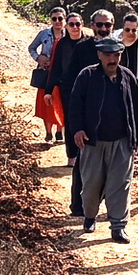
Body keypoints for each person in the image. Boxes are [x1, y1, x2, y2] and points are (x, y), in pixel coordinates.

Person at [70, 38, 138, 244]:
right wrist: (77, 129)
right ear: (99, 55)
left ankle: (118, 226)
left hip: (122, 142)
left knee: (120, 184)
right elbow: (75, 104)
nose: (113, 59)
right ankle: (89, 216)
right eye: (108, 55)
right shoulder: (86, 76)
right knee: (91, 185)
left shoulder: (127, 77)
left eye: (116, 55)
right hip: (93, 142)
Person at [61, 9, 117, 218]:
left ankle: (110, 210)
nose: (103, 29)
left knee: (112, 169)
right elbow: (68, 83)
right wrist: (75, 119)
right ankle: (78, 206)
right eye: (99, 25)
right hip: (87, 118)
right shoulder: (82, 49)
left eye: (107, 25)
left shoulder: (118, 49)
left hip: (112, 118)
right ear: (92, 26)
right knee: (83, 165)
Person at [46, 12, 90, 167]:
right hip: (68, 88)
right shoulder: (62, 44)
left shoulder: (89, 43)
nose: (75, 27)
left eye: (78, 24)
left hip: (88, 88)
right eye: (71, 24)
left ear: (82, 25)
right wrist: (48, 90)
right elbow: (55, 68)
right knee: (71, 122)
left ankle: (86, 155)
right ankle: (72, 156)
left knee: (88, 120)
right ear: (66, 26)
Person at [27, 7, 66, 142]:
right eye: (54, 19)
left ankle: (60, 132)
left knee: (61, 101)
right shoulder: (43, 34)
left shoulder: (69, 35)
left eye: (60, 18)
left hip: (62, 74)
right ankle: (48, 133)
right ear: (50, 20)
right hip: (45, 73)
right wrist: (38, 58)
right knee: (46, 103)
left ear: (64, 19)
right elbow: (31, 48)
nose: (57, 21)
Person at [112, 13, 138, 91]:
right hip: (118, 84)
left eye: (134, 30)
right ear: (123, 29)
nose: (130, 33)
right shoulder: (114, 40)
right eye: (127, 30)